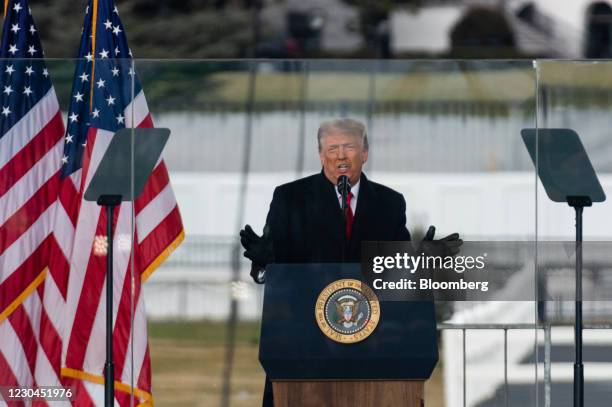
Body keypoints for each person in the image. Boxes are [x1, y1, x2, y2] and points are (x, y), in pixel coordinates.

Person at [240, 118, 460, 407]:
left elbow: (398, 275)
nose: (341, 155)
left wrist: (423, 263)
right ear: (321, 155)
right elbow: (271, 267)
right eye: (332, 148)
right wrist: (265, 263)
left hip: (373, 346)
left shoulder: (389, 203)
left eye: (349, 147)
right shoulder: (290, 198)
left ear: (365, 153)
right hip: (304, 345)